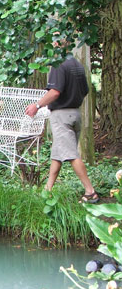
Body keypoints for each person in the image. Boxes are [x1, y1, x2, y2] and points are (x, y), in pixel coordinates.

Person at [25, 37, 99, 204]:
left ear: (56, 44)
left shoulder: (58, 65)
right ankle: (47, 190)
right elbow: (85, 90)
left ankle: (90, 192)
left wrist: (37, 105)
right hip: (76, 114)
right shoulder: (77, 65)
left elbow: (55, 92)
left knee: (71, 155)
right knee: (58, 154)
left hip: (62, 116)